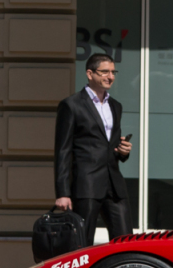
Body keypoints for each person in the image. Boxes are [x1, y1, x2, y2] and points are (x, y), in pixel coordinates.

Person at [54, 53, 134, 246]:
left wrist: (123, 151)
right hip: (86, 184)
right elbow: (62, 151)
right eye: (104, 72)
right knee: (81, 243)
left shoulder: (116, 106)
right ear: (90, 74)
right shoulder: (71, 105)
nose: (110, 76)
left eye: (113, 72)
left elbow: (110, 145)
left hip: (114, 184)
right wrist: (62, 192)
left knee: (126, 242)